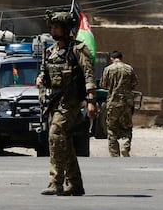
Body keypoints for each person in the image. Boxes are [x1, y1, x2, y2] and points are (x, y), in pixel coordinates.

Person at [36, 11, 97, 196]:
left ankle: (56, 181)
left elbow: (89, 75)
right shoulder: (50, 52)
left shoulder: (78, 50)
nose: (53, 30)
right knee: (64, 142)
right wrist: (40, 79)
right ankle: (75, 183)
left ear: (65, 29)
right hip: (55, 103)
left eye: (57, 27)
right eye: (52, 27)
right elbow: (45, 76)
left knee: (55, 135)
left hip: (71, 104)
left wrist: (91, 101)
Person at [100, 50, 139, 157]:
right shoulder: (129, 68)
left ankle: (114, 153)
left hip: (113, 102)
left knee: (112, 128)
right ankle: (125, 147)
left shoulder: (108, 69)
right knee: (127, 127)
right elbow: (134, 83)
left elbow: (103, 85)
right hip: (126, 103)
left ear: (112, 58)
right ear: (121, 58)